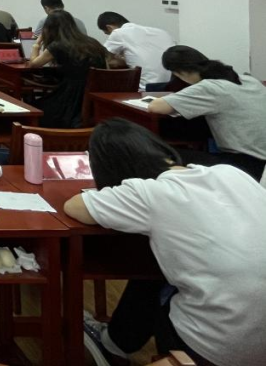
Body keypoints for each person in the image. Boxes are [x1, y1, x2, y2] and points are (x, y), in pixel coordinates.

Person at [63, 118, 266, 366]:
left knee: (154, 274)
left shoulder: (148, 192)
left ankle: (111, 345)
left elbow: (75, 207)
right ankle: (114, 341)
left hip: (213, 349)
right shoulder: (230, 173)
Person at [146, 46, 266, 179]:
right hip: (261, 160)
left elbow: (155, 107)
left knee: (162, 155)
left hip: (245, 165)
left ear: (179, 73)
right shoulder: (249, 80)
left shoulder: (209, 87)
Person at [26, 10, 108, 127]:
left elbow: (33, 64)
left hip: (72, 95)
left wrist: (36, 45)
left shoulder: (58, 45)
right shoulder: (92, 42)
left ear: (50, 28)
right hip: (97, 92)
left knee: (35, 106)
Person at [97, 12, 174, 90]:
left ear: (109, 27)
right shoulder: (161, 32)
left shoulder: (118, 33)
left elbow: (103, 59)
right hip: (172, 87)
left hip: (146, 89)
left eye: (107, 33)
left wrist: (119, 60)